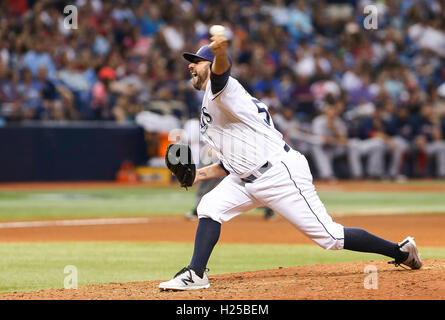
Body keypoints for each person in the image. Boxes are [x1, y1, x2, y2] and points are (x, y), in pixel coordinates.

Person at [159, 34, 422, 291]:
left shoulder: (223, 90)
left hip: (279, 174)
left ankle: (400, 251)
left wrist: (219, 50)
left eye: (197, 61)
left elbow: (221, 71)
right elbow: (232, 161)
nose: (190, 65)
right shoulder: (214, 101)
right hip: (245, 178)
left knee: (331, 237)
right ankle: (196, 274)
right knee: (209, 206)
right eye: (190, 61)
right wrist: (198, 176)